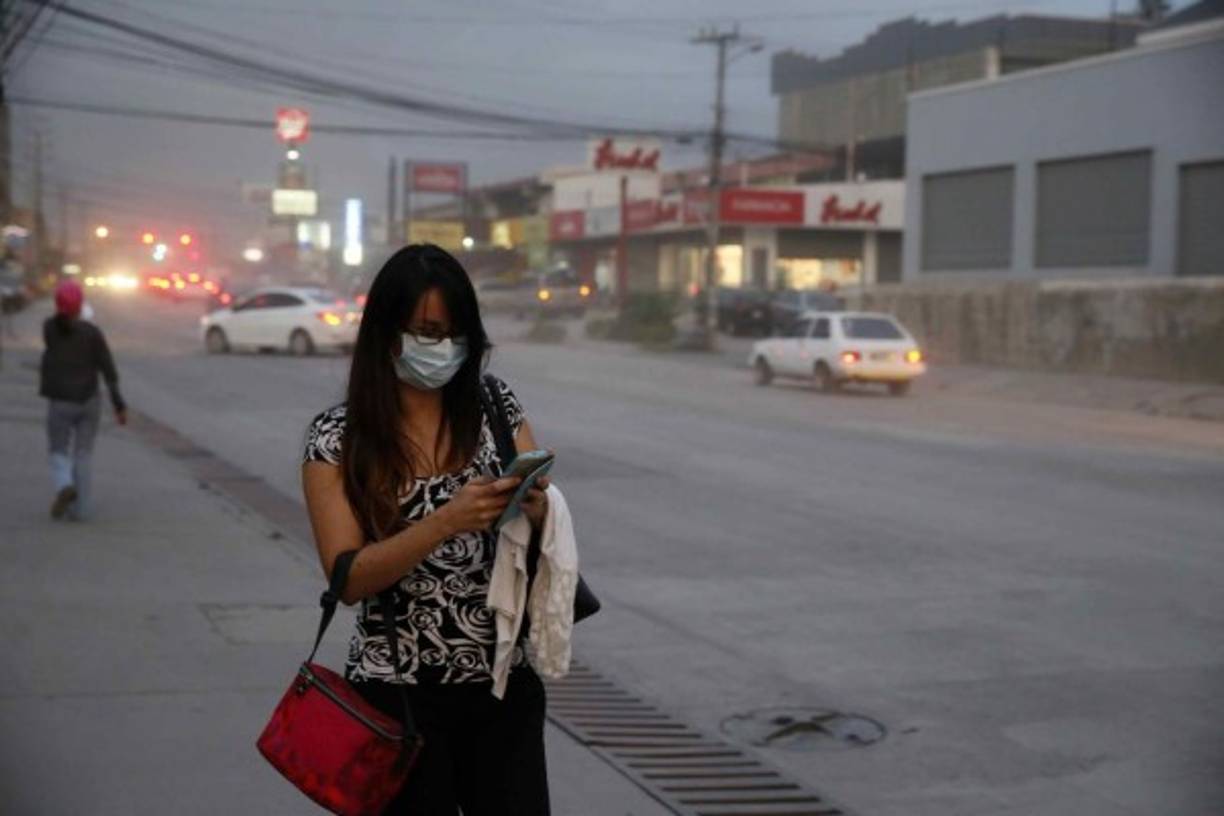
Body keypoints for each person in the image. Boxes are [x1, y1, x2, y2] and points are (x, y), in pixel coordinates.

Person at [301, 244, 552, 815]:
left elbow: (540, 524)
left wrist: (538, 507)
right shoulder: (336, 438)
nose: (445, 348)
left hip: (501, 686)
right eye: (428, 332)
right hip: (396, 698)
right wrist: (445, 522)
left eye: (457, 334)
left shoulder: (495, 407)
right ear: (386, 332)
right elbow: (347, 579)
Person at [39, 279, 127, 520]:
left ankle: (64, 485)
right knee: (84, 454)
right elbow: (109, 370)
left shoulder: (49, 328)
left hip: (60, 402)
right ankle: (80, 510)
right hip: (89, 401)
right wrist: (119, 405)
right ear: (80, 305)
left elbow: (57, 330)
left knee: (58, 450)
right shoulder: (92, 333)